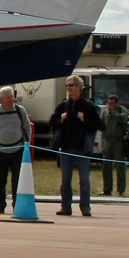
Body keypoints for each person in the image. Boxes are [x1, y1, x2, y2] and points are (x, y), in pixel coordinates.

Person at [49, 76, 100, 216]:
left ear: (79, 87)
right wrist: (61, 119)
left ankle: (85, 207)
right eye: (67, 85)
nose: (69, 88)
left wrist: (85, 120)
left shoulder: (88, 106)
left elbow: (100, 125)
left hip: (82, 149)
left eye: (71, 85)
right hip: (66, 148)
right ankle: (66, 207)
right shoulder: (63, 105)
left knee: (84, 180)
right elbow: (52, 122)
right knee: (66, 180)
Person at [0, 86, 33, 215]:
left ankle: (18, 205)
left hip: (18, 152)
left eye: (12, 97)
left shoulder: (21, 111)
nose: (12, 100)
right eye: (9, 98)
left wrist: (25, 144)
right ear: (2, 100)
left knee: (18, 181)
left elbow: (27, 127)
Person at [99, 95, 129, 196]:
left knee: (120, 166)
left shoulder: (123, 111)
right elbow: (102, 126)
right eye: (109, 103)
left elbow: (122, 119)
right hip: (108, 140)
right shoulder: (105, 113)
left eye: (112, 103)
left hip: (119, 140)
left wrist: (113, 111)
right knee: (106, 166)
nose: (110, 105)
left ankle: (121, 189)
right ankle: (107, 189)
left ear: (117, 103)